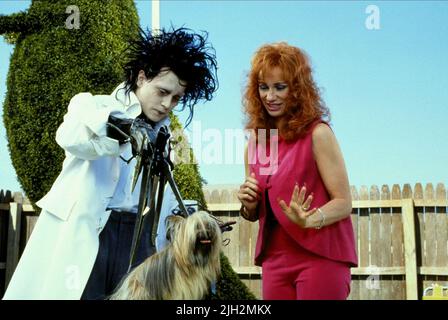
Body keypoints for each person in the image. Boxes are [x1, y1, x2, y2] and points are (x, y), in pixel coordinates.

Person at [3, 27, 218, 300]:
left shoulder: (166, 139)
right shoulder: (92, 106)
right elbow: (70, 136)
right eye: (162, 91)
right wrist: (121, 127)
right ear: (141, 77)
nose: (167, 104)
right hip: (92, 230)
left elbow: (157, 201)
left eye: (176, 98)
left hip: (138, 239)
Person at [237, 42, 357, 300]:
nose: (270, 96)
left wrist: (310, 219)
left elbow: (344, 202)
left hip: (321, 257)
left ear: (298, 90)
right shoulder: (257, 143)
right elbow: (255, 212)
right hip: (274, 260)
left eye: (280, 87)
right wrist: (248, 204)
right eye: (264, 87)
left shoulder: (318, 134)